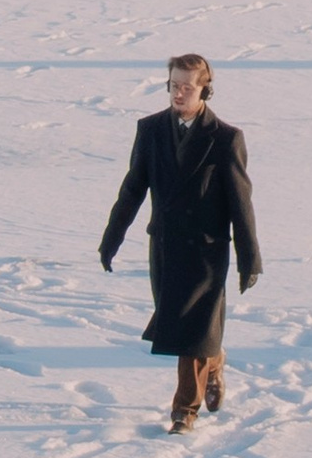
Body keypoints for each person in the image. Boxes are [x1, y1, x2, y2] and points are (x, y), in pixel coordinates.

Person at [100, 53, 262, 430]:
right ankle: (216, 359)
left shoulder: (225, 139)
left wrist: (249, 257)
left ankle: (183, 412)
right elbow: (132, 190)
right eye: (174, 85)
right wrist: (112, 238)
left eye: (187, 87)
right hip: (166, 248)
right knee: (187, 330)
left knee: (192, 334)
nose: (179, 93)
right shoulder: (151, 129)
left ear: (206, 87)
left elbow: (241, 203)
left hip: (206, 251)